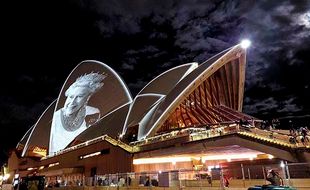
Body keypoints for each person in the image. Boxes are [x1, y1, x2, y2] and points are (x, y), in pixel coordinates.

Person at [49, 72, 107, 154]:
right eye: (71, 97)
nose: (72, 102)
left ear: (87, 99)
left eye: (79, 97)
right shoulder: (56, 117)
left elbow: (93, 138)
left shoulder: (93, 112)